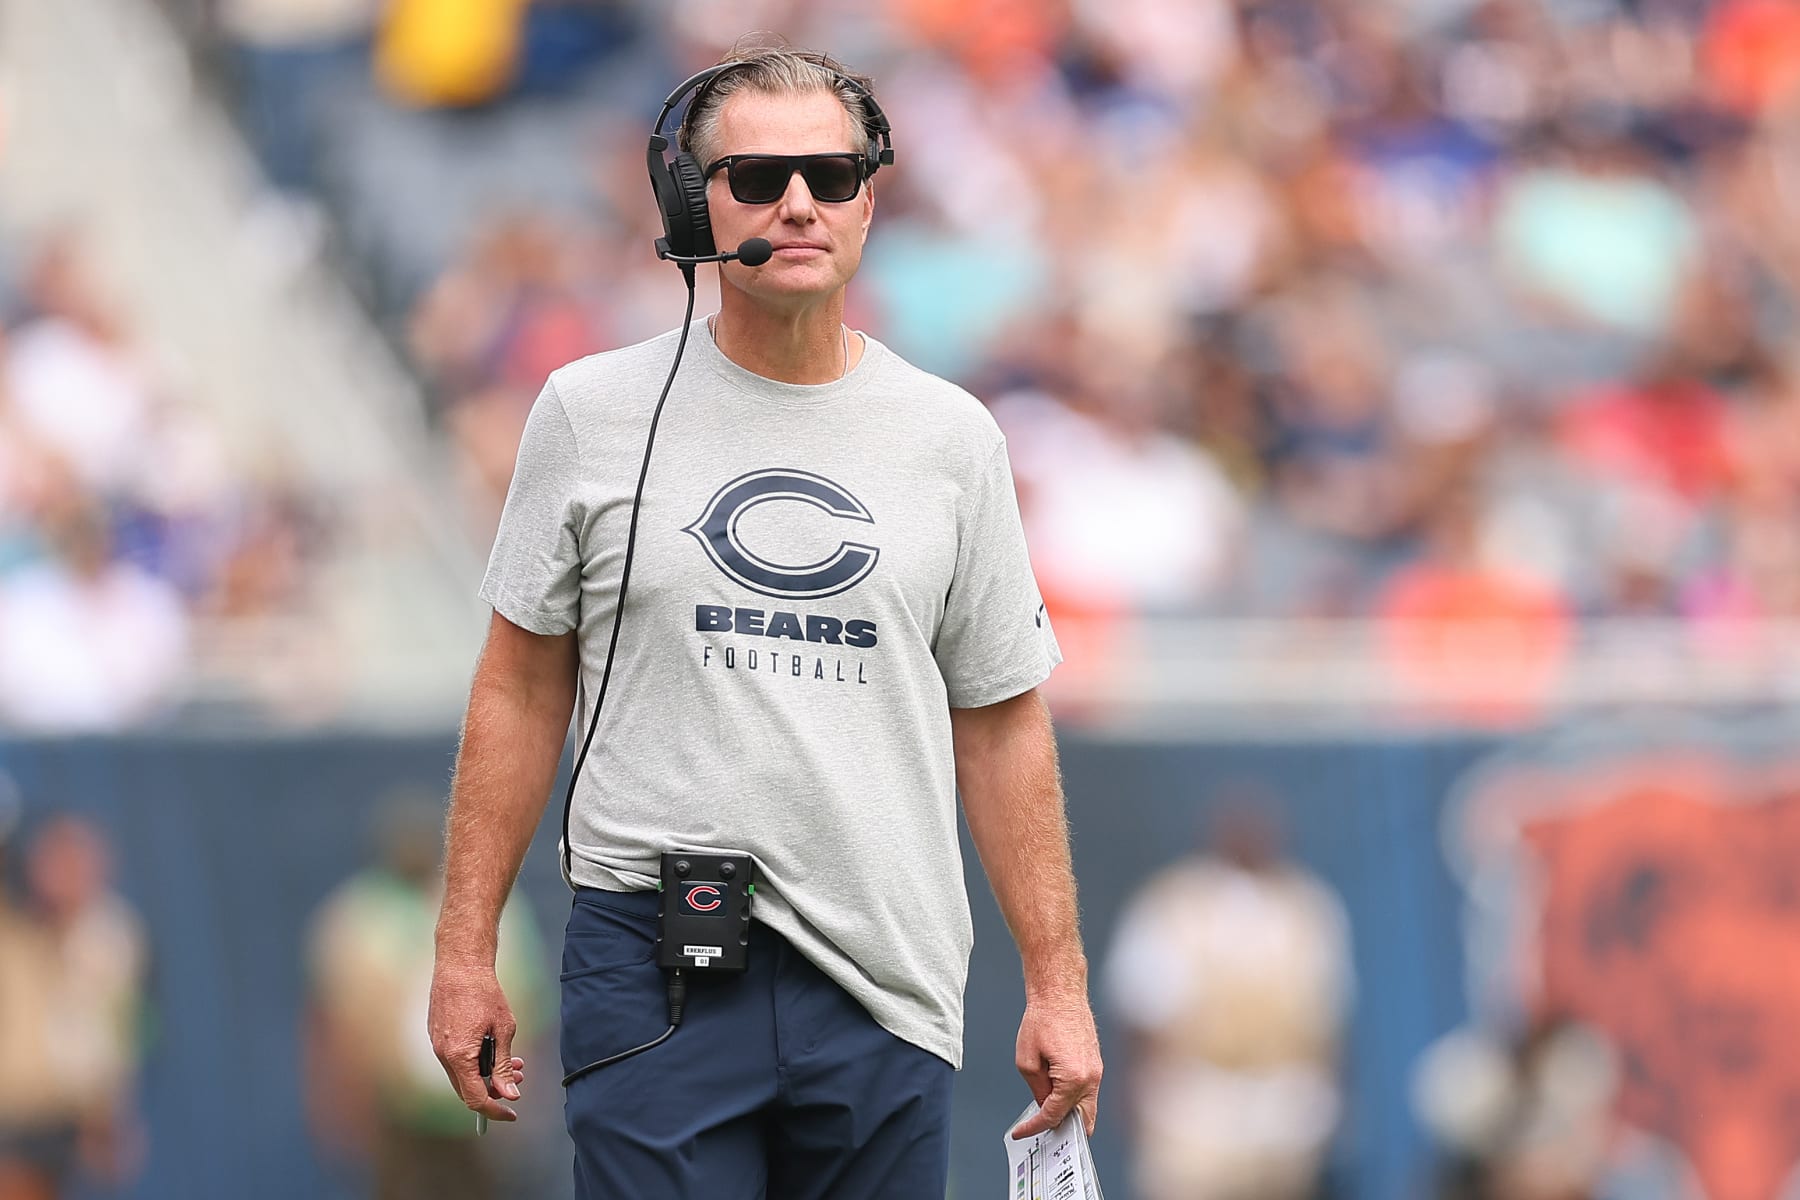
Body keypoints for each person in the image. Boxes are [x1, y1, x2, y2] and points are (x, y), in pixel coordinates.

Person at [426, 43, 1102, 1198]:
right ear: (693, 205)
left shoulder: (950, 441)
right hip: (656, 958)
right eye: (757, 177)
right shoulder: (589, 415)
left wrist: (1057, 978)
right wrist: (463, 951)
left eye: (832, 177)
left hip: (887, 973)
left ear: (868, 201)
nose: (799, 203)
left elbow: (999, 719)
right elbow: (520, 685)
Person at [303, 788, 548, 1200]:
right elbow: (332, 1025)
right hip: (395, 1116)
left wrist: (523, 1098)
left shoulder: (491, 909)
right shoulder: (356, 915)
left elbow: (526, 1009)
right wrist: (341, 1107)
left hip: (475, 1117)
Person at [1104, 800, 1352, 1200]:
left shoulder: (1308, 907)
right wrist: (1133, 1091)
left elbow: (1329, 1021)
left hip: (1282, 1097)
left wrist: (1334, 1095)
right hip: (1195, 1099)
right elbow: (1141, 1010)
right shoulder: (1174, 904)